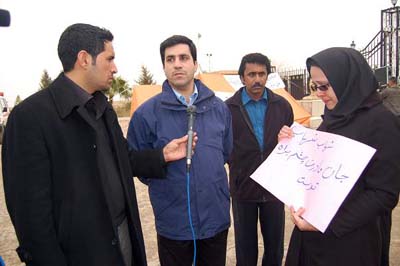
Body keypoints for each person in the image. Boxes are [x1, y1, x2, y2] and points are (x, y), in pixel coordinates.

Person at [2, 23, 194, 266]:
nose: (115, 68)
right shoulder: (30, 117)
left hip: (122, 238)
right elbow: (30, 217)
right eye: (109, 59)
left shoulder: (103, 109)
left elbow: (125, 160)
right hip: (79, 253)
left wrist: (162, 156)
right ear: (84, 59)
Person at [279, 47, 400, 266]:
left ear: (348, 80)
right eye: (315, 86)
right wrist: (289, 145)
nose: (319, 93)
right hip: (311, 238)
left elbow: (384, 194)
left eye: (324, 86)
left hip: (352, 241)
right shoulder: (334, 117)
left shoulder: (382, 122)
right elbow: (318, 167)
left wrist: (328, 222)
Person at [127, 35, 233, 266]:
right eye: (170, 59)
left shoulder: (219, 109)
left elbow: (224, 153)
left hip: (215, 218)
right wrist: (163, 161)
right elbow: (134, 162)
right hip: (173, 224)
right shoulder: (145, 114)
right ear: (163, 66)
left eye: (184, 58)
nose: (177, 64)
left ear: (195, 64)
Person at [225, 53, 294, 266]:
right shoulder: (227, 108)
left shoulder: (282, 105)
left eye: (262, 74)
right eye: (251, 74)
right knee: (245, 250)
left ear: (267, 75)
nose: (257, 79)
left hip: (274, 188)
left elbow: (292, 140)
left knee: (275, 249)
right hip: (243, 187)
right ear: (242, 77)